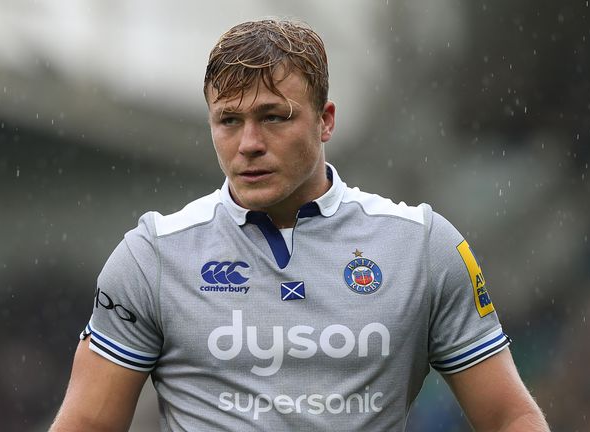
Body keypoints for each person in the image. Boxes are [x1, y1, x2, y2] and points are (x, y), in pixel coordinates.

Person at [49, 19, 549, 431]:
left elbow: (510, 416)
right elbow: (86, 424)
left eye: (273, 117)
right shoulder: (151, 256)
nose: (248, 143)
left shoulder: (422, 246)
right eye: (228, 121)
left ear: (325, 120)